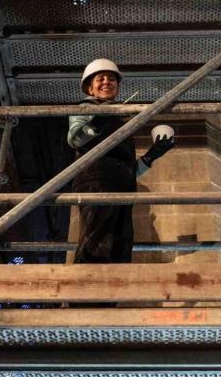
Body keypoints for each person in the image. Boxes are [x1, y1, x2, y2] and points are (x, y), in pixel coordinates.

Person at [67, 58, 175, 264]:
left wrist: (151, 155)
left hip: (123, 186)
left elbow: (127, 170)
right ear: (90, 88)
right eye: (100, 79)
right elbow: (74, 139)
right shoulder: (85, 107)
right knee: (97, 238)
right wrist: (97, 122)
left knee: (121, 244)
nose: (107, 82)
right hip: (96, 181)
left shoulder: (120, 121)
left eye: (111, 79)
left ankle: (112, 292)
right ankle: (86, 289)